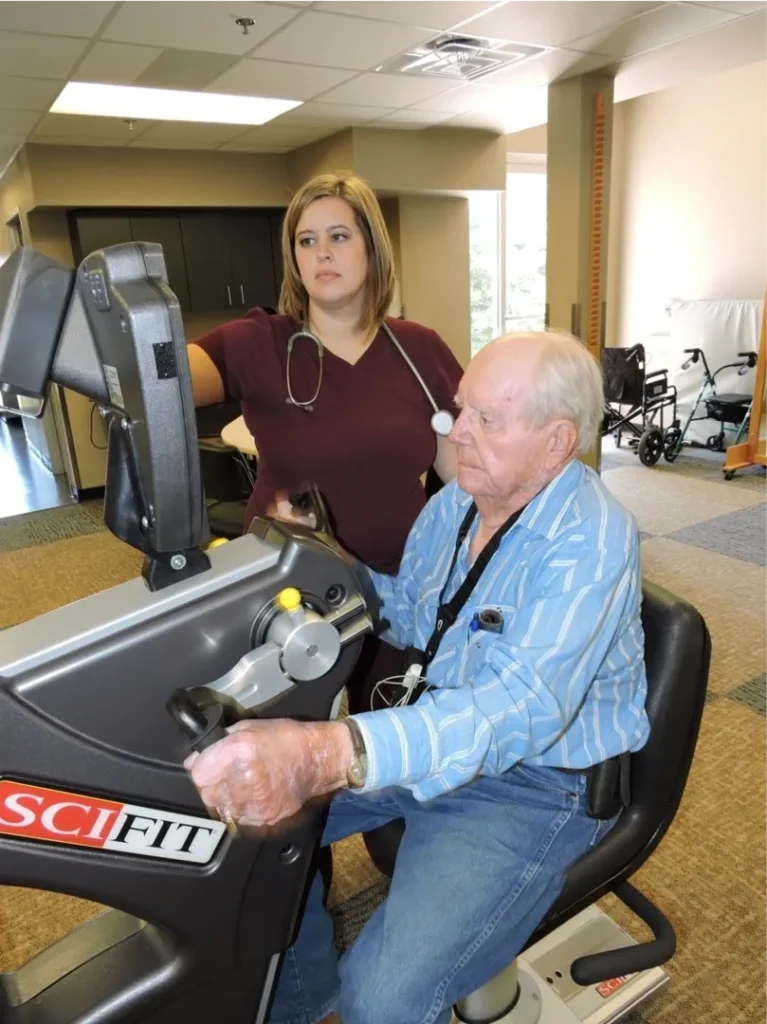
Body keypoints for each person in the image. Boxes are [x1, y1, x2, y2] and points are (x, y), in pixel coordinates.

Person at [187, 331, 651, 1024]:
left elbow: (518, 709)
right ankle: (305, 999)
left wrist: (325, 752)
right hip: (446, 733)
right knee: (236, 824)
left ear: (556, 443)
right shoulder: (457, 503)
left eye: (483, 420)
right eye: (458, 408)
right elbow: (411, 614)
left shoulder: (592, 540)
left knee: (383, 1002)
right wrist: (326, 562)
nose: (451, 430)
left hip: (537, 784)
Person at [187, 171, 463, 711]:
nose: (322, 254)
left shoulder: (419, 349)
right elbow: (158, 382)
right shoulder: (259, 344)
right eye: (306, 241)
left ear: (372, 247)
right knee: (294, 748)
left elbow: (465, 477)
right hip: (293, 593)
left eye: (339, 236)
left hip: (399, 593)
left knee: (383, 744)